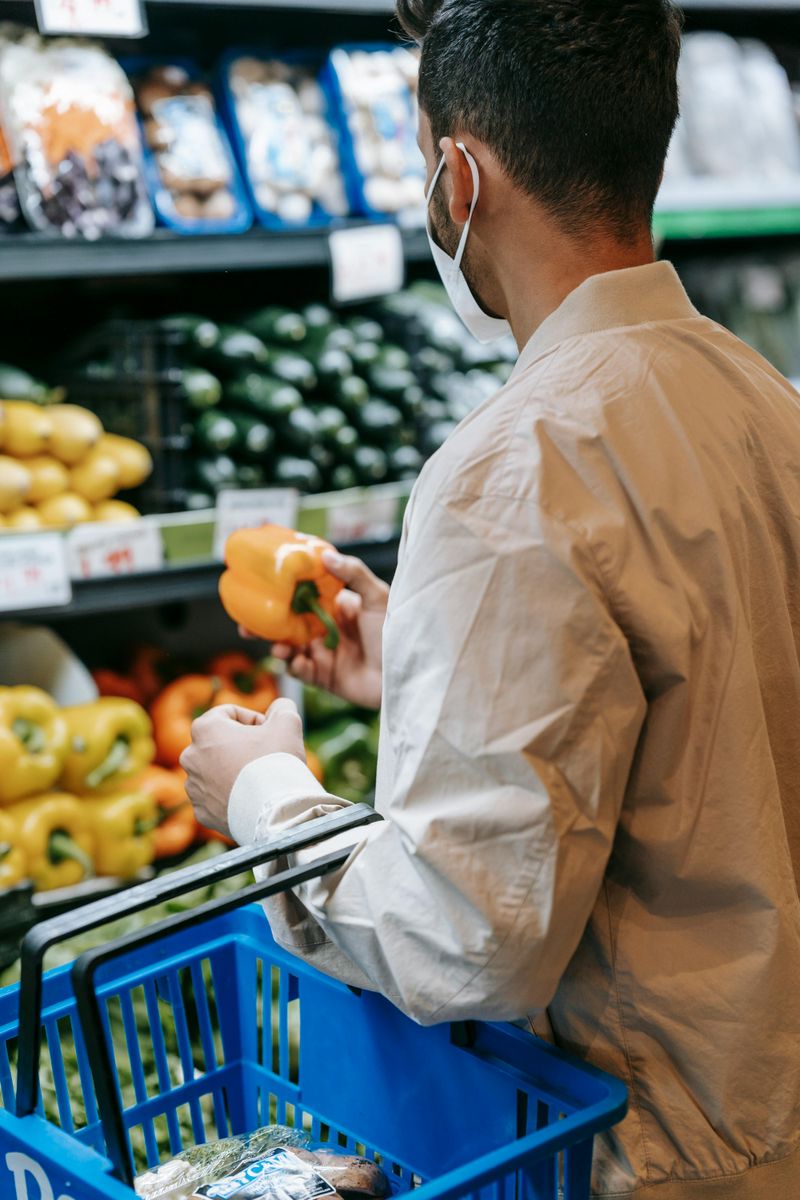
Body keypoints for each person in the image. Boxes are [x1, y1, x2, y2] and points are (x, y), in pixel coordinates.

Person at [182, 2, 800, 1197]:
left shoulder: (511, 472)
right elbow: (704, 701)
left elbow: (468, 941)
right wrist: (423, 649)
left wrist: (262, 799)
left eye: (424, 164)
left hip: (647, 1150)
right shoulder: (759, 399)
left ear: (458, 179)